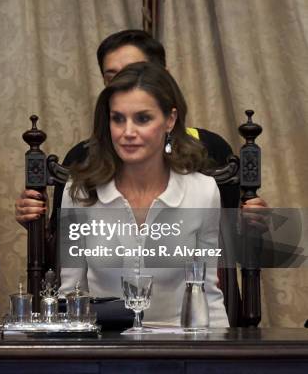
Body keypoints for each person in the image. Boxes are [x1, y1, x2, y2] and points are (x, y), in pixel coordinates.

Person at [15, 29, 266, 229]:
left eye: (138, 71)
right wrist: (34, 224)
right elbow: (63, 246)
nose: (127, 84)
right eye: (113, 77)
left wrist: (251, 223)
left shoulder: (210, 148)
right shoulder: (82, 156)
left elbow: (226, 242)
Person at [59, 61, 228, 326]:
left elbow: (207, 292)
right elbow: (70, 294)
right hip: (102, 350)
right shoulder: (78, 191)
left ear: (170, 120)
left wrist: (221, 361)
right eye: (118, 119)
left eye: (143, 118)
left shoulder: (203, 192)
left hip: (178, 352)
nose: (128, 133)